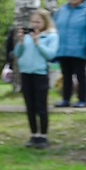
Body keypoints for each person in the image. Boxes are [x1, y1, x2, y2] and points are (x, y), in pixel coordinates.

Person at [13, 9, 58, 148]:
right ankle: (33, 134)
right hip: (26, 73)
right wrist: (20, 42)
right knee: (29, 105)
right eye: (33, 22)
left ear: (45, 22)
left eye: (38, 22)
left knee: (41, 105)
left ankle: (43, 135)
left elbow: (50, 55)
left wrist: (38, 43)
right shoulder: (27, 36)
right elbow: (17, 53)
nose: (35, 25)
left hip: (40, 74)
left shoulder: (51, 36)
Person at [54, 0, 86, 108]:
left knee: (81, 75)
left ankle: (82, 99)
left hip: (80, 49)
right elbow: (54, 29)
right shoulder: (61, 11)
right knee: (66, 75)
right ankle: (66, 99)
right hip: (63, 49)